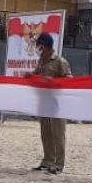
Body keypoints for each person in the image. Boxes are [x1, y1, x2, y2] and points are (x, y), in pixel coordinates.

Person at [27, 32, 72, 174]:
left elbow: (69, 79)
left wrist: (52, 81)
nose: (37, 48)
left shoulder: (60, 61)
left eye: (39, 45)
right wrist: (31, 76)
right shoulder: (41, 61)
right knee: (45, 133)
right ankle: (47, 160)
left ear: (46, 46)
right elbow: (36, 75)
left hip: (57, 104)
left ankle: (58, 164)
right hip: (44, 102)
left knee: (58, 134)